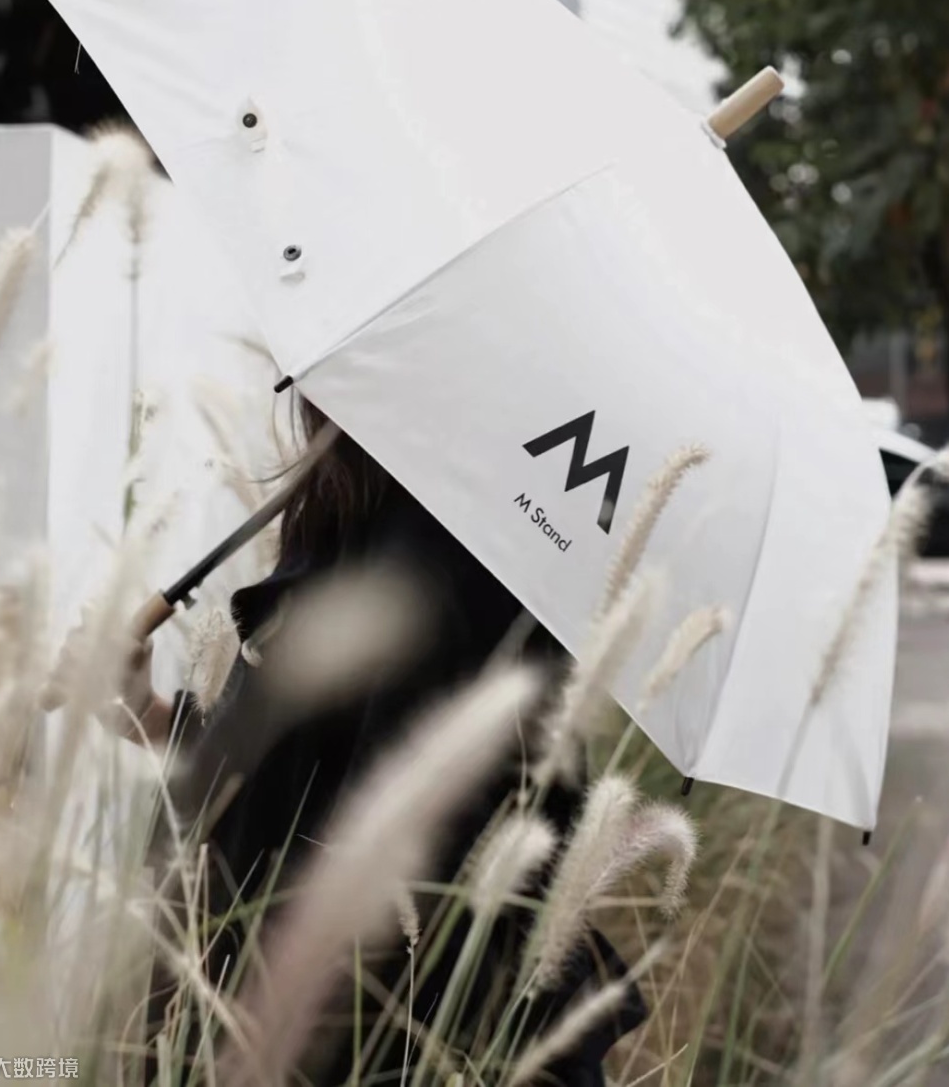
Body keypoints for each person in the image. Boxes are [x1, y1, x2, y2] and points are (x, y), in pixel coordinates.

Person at [127, 398, 644, 1086]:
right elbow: (305, 760)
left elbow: (375, 830)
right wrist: (150, 714)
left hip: (355, 1035)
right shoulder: (380, 498)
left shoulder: (436, 541)